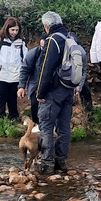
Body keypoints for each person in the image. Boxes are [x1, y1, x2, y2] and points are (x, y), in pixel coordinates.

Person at [35, 11, 76, 175]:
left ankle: (47, 164)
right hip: (68, 89)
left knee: (46, 127)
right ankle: (61, 162)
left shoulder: (53, 40)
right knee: (64, 128)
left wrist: (40, 93)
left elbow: (46, 69)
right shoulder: (71, 38)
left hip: (53, 91)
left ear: (47, 26)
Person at [0, 17, 26, 120]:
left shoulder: (21, 42)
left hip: (15, 74)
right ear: (7, 28)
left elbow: (25, 58)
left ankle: (14, 116)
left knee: (13, 96)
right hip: (2, 73)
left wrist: (24, 72)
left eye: (17, 30)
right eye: (12, 30)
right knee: (2, 95)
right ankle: (0, 117)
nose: (14, 32)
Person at [17, 38, 43, 124]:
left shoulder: (56, 52)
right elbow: (25, 70)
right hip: (35, 85)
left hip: (51, 86)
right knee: (35, 105)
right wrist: (21, 86)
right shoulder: (33, 53)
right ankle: (35, 125)